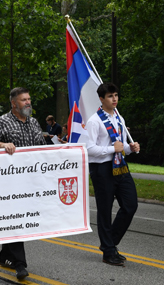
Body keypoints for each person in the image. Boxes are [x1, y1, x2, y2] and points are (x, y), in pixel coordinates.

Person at [0, 87, 46, 281]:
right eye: (24, 100)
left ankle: (5, 255)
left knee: (15, 219)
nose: (28, 102)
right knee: (16, 218)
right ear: (13, 103)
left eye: (29, 99)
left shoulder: (34, 122)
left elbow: (43, 149)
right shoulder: (2, 122)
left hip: (30, 182)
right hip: (8, 182)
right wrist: (2, 145)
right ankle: (20, 264)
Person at [86, 83, 140, 266]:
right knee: (105, 210)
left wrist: (131, 148)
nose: (114, 98)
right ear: (101, 99)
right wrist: (112, 149)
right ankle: (109, 251)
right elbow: (89, 149)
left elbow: (122, 146)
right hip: (102, 169)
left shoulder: (119, 118)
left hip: (120, 166)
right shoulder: (95, 120)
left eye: (116, 95)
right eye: (110, 96)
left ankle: (109, 243)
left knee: (130, 204)